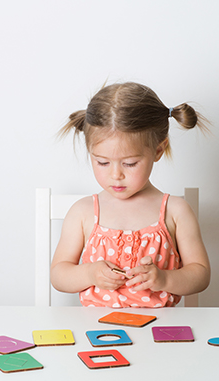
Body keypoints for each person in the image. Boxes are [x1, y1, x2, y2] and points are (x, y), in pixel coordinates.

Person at [51, 82, 210, 307]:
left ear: (158, 150)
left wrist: (164, 279)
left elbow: (200, 274)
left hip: (160, 330)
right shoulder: (83, 212)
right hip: (95, 329)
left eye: (130, 163)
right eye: (102, 162)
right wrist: (89, 274)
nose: (116, 175)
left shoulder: (175, 211)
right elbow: (59, 274)